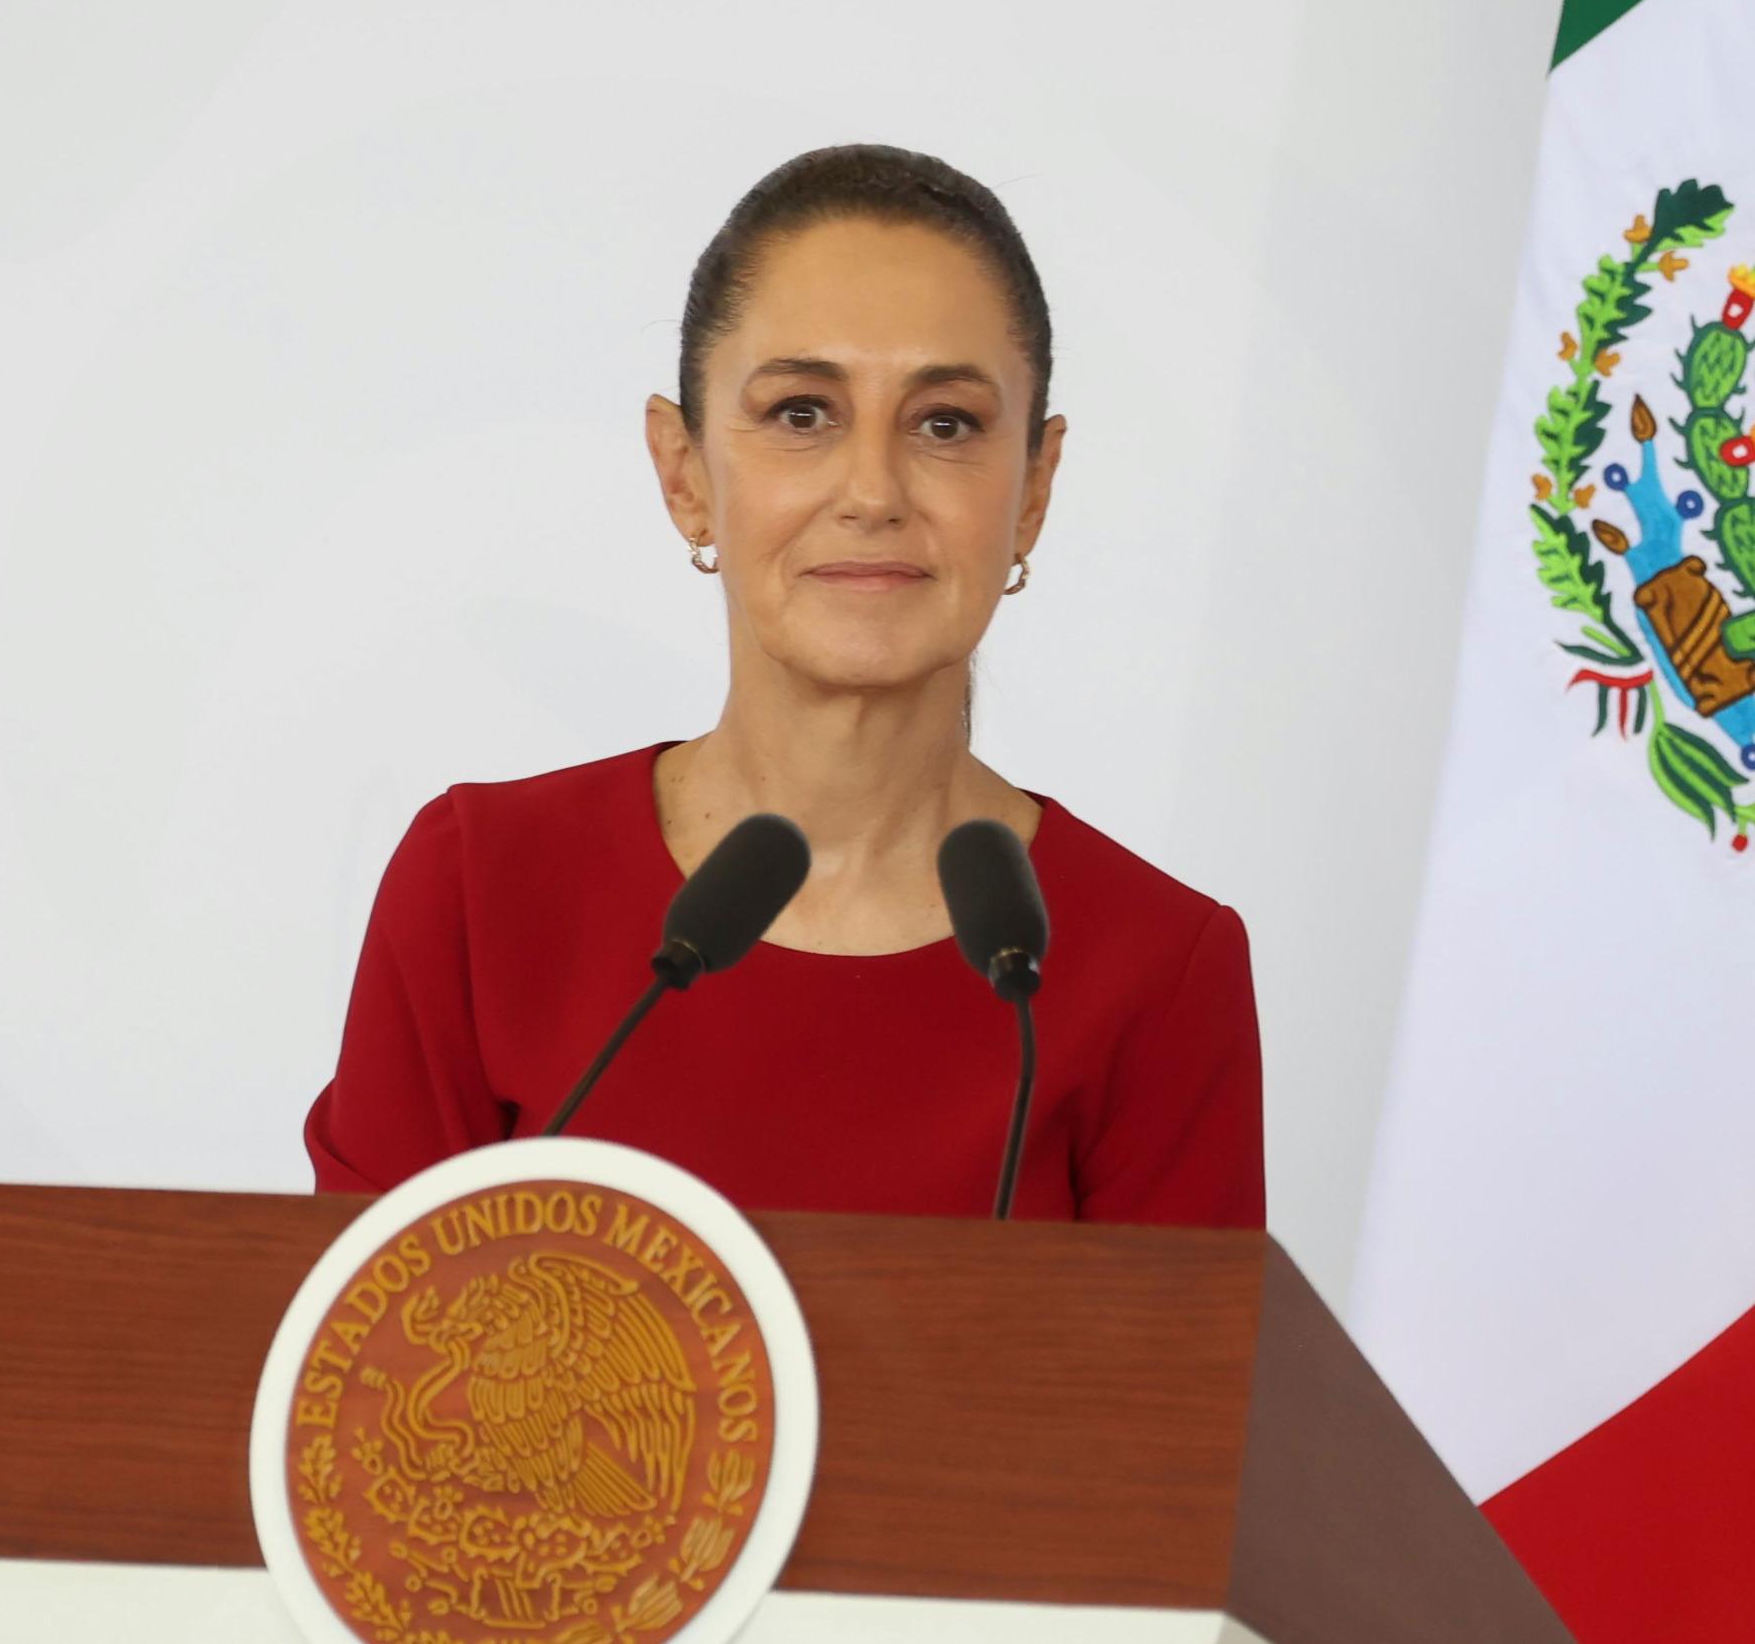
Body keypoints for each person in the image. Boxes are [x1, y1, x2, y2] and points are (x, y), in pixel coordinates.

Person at [303, 144, 1264, 1225]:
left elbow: (1178, 1347)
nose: (872, 491)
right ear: (684, 473)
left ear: (1033, 491)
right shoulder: (479, 888)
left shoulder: (1159, 969)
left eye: (945, 422)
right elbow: (362, 1326)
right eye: (802, 413)